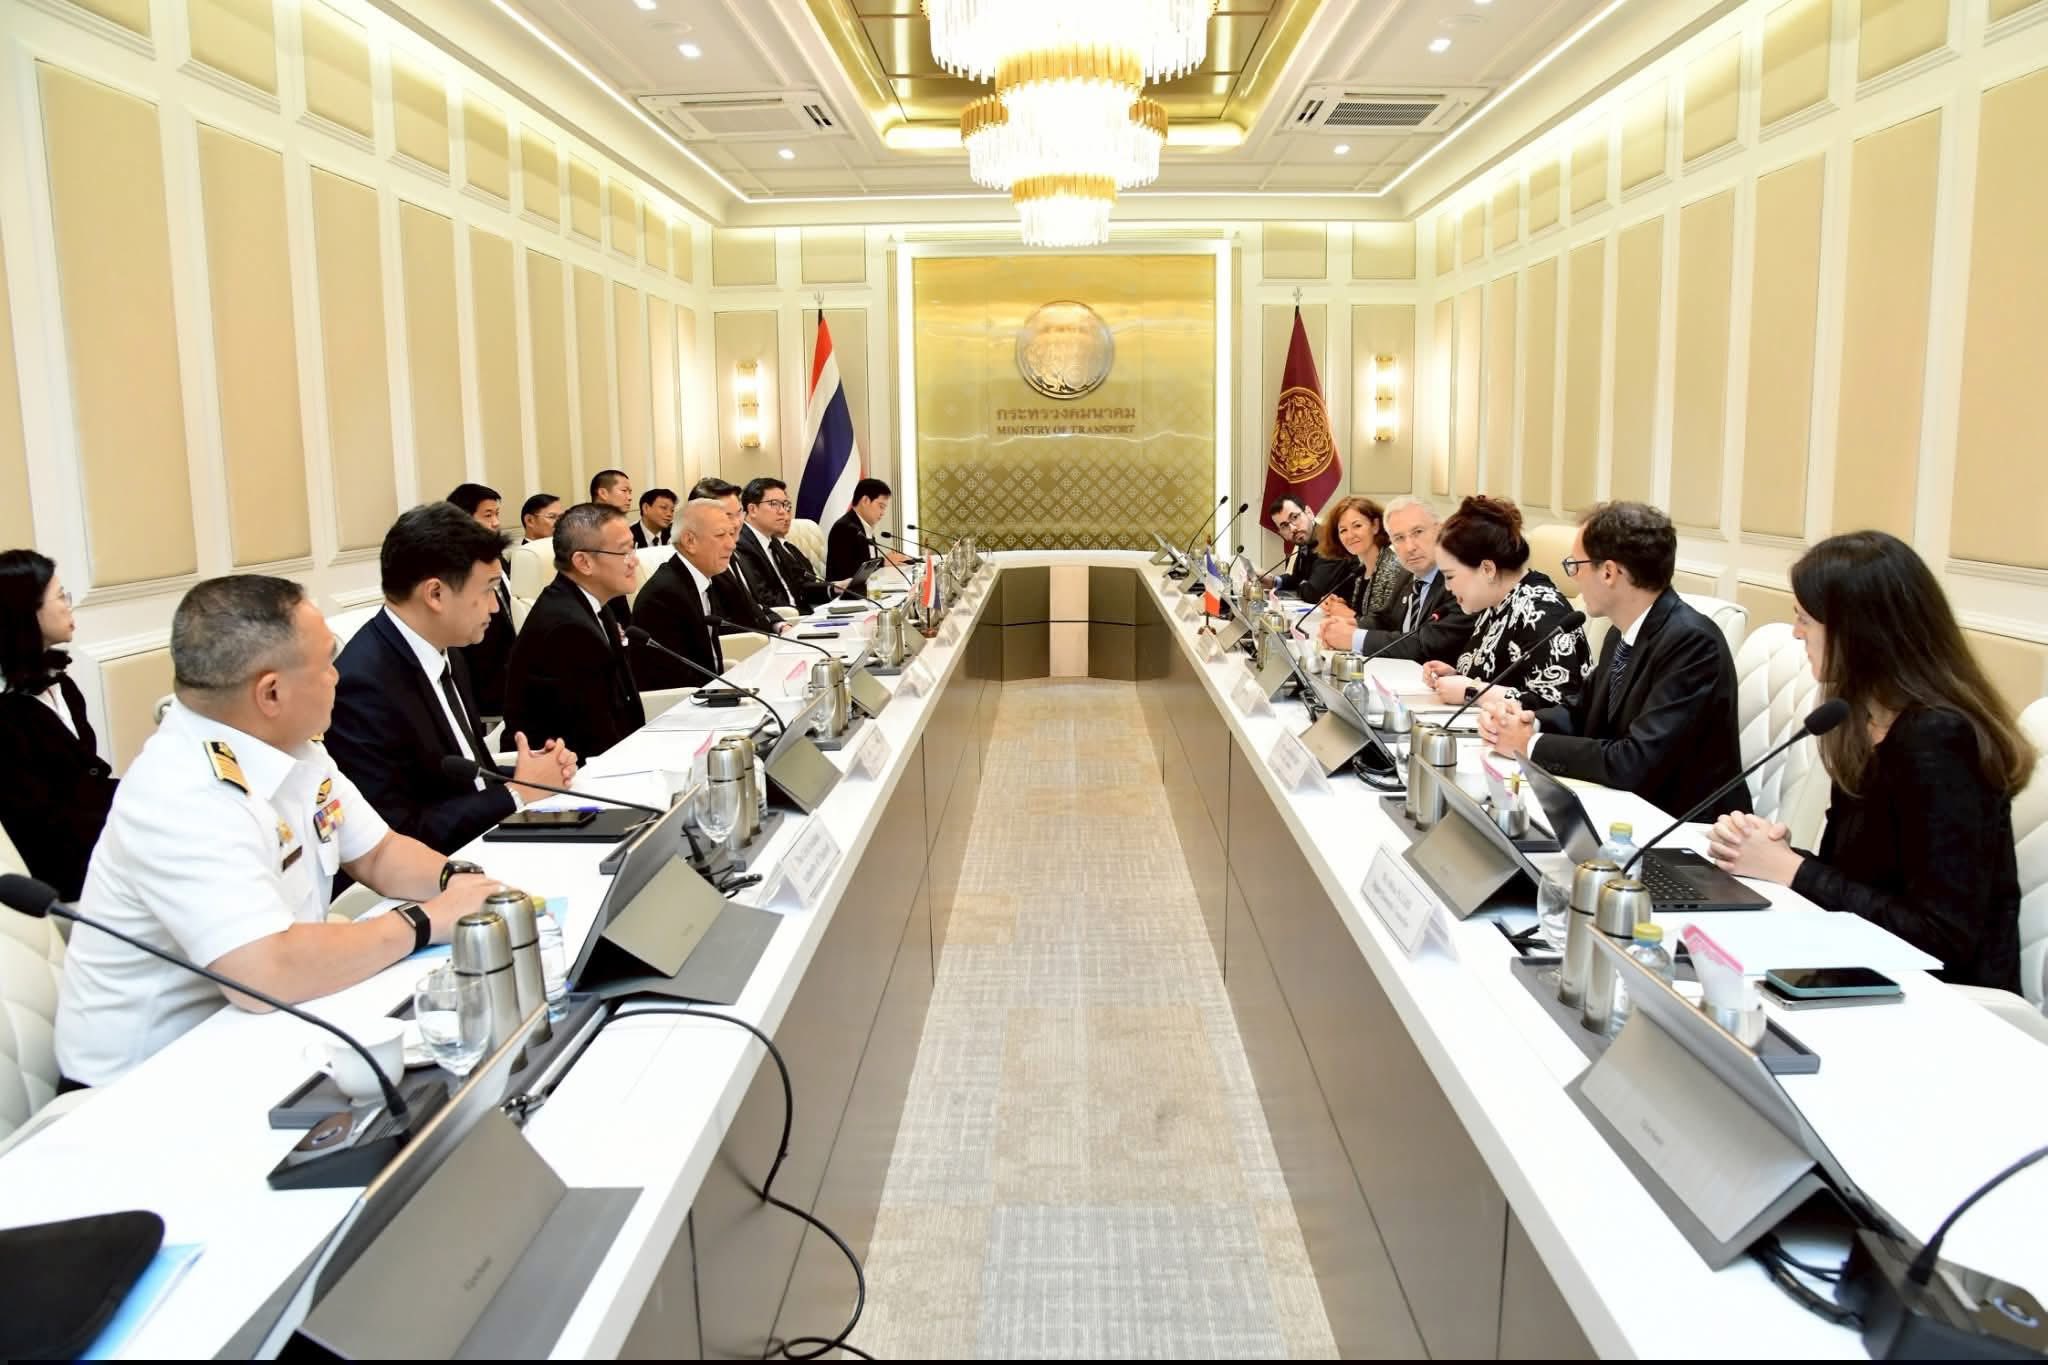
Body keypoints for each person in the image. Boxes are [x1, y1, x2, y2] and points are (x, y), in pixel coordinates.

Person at [55, 575, 506, 1087]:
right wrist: (427, 921)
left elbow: (379, 854)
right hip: (143, 1082)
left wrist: (461, 882)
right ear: (272, 692)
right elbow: (267, 971)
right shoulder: (179, 793)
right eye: (327, 663)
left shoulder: (292, 744)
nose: (338, 676)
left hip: (261, 1028)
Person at [1705, 532, 2031, 991]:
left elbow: (1942, 936)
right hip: (1862, 963)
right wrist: (1770, 852)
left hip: (1941, 997)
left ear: (1857, 633)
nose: (1796, 633)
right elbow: (1858, 881)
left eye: (1805, 619)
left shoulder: (1940, 740)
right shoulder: (1863, 720)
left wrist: (1791, 869)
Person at [328, 504, 579, 853]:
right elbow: (396, 833)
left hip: (485, 840)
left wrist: (535, 773)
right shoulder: (362, 687)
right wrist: (517, 792)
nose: (495, 607)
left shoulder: (447, 649)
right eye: (488, 590)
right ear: (435, 594)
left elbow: (469, 777)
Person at [1480, 502, 1750, 818]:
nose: (1574, 578)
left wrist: (1529, 744)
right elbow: (1582, 713)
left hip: (1682, 826)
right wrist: (1528, 721)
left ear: (1609, 572)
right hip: (1623, 806)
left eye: (1576, 565)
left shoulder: (1692, 643)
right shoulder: (1621, 632)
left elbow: (1634, 761)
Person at [0, 551, 117, 901]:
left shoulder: (62, 685)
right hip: (64, 878)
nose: (69, 606)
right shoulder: (6, 717)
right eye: (60, 596)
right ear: (27, 611)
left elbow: (86, 783)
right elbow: (39, 827)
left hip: (99, 846)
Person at [502, 502, 646, 759]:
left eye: (633, 548)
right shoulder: (567, 629)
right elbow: (593, 736)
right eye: (624, 552)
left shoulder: (592, 604)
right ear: (583, 562)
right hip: (566, 770)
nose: (634, 561)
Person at [1417, 496, 1589, 710]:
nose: (1448, 587)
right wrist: (1457, 676)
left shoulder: (1541, 612)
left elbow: (1557, 706)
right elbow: (1500, 679)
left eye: (1450, 576)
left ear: (1487, 569)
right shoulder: (1496, 604)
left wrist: (1471, 691)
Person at [1320, 496, 1474, 663]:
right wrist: (1349, 626)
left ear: (1440, 530)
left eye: (1418, 532)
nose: (1410, 547)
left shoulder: (1459, 582)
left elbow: (1426, 645)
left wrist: (1354, 638)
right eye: (1399, 538)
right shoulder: (1406, 575)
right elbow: (1383, 619)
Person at [631, 498, 758, 690]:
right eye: (720, 535)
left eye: (731, 534)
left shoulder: (704, 578)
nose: (731, 544)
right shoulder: (664, 596)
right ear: (690, 541)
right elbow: (671, 679)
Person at [446, 482, 515, 717]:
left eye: (497, 514)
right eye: (488, 515)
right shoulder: (455, 567)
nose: (496, 523)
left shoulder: (496, 557)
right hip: (483, 681)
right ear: (463, 519)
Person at [1311, 496, 1409, 635]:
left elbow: (1388, 630)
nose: (1350, 535)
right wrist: (1338, 606)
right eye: (1343, 530)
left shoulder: (1392, 568)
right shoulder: (1361, 571)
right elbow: (1365, 615)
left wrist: (1350, 615)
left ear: (1375, 526)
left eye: (1357, 526)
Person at [735, 476, 832, 611]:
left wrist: (835, 589)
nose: (782, 511)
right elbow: (762, 596)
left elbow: (800, 585)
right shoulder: (741, 545)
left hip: (802, 614)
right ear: (752, 510)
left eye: (785, 504)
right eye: (774, 504)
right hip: (782, 618)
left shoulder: (774, 543)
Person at [1266, 496, 1346, 601]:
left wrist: (1301, 585)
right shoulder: (1305, 541)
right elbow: (1298, 578)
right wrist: (1273, 581)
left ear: (1309, 513)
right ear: (1281, 533)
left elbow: (1312, 592)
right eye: (1284, 526)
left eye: (1295, 517)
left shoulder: (1331, 541)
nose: (1293, 528)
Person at [826, 477, 906, 581]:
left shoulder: (864, 526)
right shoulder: (845, 528)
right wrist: (883, 562)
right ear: (865, 501)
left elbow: (865, 562)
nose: (883, 513)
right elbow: (848, 572)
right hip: (845, 590)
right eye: (881, 506)